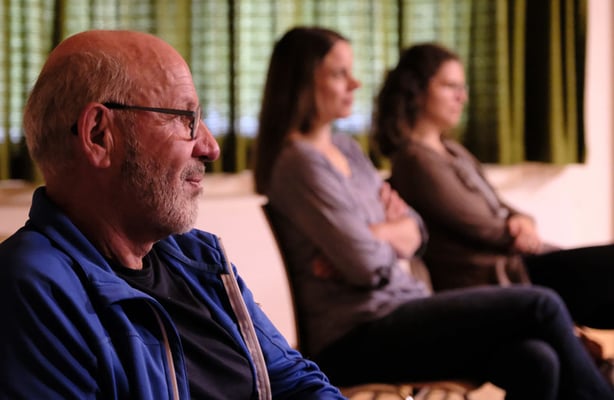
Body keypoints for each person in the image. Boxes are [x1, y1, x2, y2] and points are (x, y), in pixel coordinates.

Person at [253, 26, 614, 399]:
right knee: (541, 304)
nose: (355, 83)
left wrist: (372, 235)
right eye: (339, 73)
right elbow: (363, 263)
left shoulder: (347, 150)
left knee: (536, 359)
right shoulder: (299, 163)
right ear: (302, 82)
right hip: (355, 333)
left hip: (403, 306)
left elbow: (416, 230)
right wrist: (377, 236)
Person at [0, 30, 346, 399]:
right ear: (99, 135)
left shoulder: (199, 259)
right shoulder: (33, 289)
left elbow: (297, 383)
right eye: (186, 119)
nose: (211, 148)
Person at [371, 42, 614, 331]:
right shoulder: (414, 160)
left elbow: (499, 205)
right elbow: (476, 223)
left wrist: (522, 219)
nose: (462, 97)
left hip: (519, 261)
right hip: (499, 277)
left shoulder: (452, 150)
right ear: (417, 91)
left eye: (462, 87)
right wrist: (516, 231)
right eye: (450, 86)